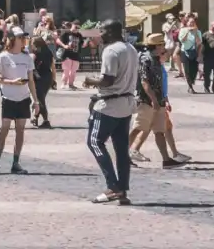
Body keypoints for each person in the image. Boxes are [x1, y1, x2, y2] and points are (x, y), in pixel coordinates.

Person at [83, 19, 138, 205]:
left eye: (103, 31)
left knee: (94, 142)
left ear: (113, 32)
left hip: (109, 105)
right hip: (127, 104)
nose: (101, 34)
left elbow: (107, 81)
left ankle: (113, 187)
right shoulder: (131, 49)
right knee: (122, 149)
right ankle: (122, 189)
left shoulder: (111, 50)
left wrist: (91, 81)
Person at [129, 31, 184, 168]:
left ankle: (166, 160)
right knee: (138, 128)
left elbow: (159, 81)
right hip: (146, 101)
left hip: (158, 101)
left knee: (160, 130)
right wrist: (153, 99)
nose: (164, 47)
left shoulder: (156, 59)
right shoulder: (145, 59)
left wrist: (163, 98)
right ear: (157, 46)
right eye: (163, 44)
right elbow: (144, 81)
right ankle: (122, 155)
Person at [0, 28, 34, 174]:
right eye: (20, 37)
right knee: (4, 129)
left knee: (20, 131)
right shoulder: (3, 57)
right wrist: (11, 82)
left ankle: (16, 163)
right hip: (8, 98)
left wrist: (36, 100)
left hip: (24, 98)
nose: (23, 39)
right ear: (12, 39)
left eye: (24, 37)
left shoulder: (27, 57)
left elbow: (31, 81)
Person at [29, 32, 55, 129]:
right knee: (40, 98)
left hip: (39, 78)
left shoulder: (35, 54)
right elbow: (53, 67)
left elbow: (33, 68)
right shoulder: (48, 52)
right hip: (48, 77)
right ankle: (35, 118)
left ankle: (45, 120)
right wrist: (54, 80)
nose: (31, 45)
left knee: (39, 100)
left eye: (32, 43)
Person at [178, 14, 201, 92]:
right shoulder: (183, 30)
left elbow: (198, 43)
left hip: (194, 51)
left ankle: (191, 82)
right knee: (187, 70)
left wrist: (195, 33)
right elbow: (182, 40)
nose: (191, 23)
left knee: (194, 70)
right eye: (190, 22)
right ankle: (190, 87)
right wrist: (188, 31)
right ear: (187, 23)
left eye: (193, 22)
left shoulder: (197, 31)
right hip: (185, 51)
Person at [58, 23, 84, 90]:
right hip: (67, 54)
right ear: (72, 26)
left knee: (73, 71)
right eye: (75, 27)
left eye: (78, 28)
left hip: (76, 55)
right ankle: (63, 83)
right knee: (66, 70)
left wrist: (88, 40)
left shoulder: (79, 35)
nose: (76, 29)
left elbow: (82, 45)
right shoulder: (67, 33)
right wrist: (64, 46)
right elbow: (58, 40)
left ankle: (71, 84)